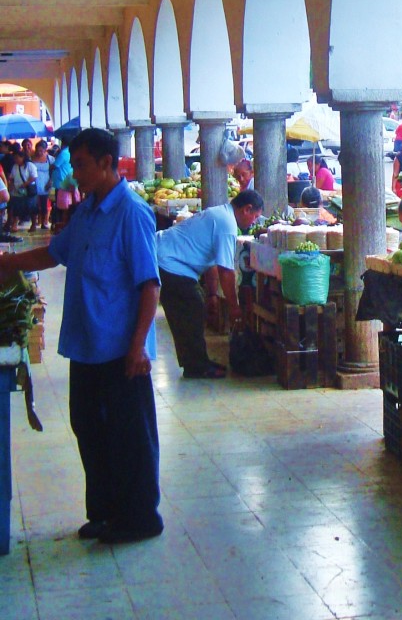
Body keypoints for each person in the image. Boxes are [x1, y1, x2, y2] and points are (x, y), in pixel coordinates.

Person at [0, 127, 163, 544]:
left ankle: (140, 517)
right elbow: (55, 254)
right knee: (89, 427)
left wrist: (137, 346)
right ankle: (106, 511)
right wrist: (9, 262)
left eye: (83, 164)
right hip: (87, 345)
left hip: (120, 349)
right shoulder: (87, 212)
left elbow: (150, 285)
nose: (75, 173)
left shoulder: (132, 213)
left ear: (107, 163)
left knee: (129, 434)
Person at [155, 188, 264, 379]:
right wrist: (234, 307)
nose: (253, 222)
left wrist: (213, 294)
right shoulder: (227, 225)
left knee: (195, 307)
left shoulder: (222, 214)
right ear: (246, 209)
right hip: (169, 262)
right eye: (255, 217)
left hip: (170, 258)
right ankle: (196, 366)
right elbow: (225, 271)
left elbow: (212, 264)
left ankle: (198, 361)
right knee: (191, 307)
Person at [7, 146, 38, 234]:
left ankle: (33, 224)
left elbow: (34, 177)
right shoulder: (15, 166)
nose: (16, 160)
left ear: (22, 157)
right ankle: (14, 224)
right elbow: (12, 177)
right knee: (16, 207)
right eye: (15, 158)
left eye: (17, 158)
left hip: (28, 190)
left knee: (31, 207)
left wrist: (25, 184)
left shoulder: (30, 165)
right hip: (17, 191)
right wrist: (12, 185)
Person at [31, 139, 53, 229]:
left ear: (45, 150)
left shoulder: (50, 159)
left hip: (45, 184)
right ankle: (34, 223)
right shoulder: (31, 158)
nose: (39, 152)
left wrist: (50, 181)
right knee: (33, 205)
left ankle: (44, 222)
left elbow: (53, 171)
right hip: (34, 185)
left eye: (41, 151)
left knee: (44, 205)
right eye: (38, 150)